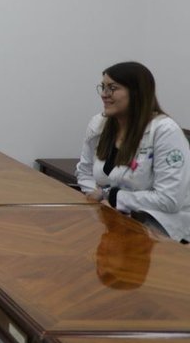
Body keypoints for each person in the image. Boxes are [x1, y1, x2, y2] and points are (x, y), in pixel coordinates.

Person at [76, 61, 190, 243]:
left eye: (112, 88)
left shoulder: (165, 131)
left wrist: (113, 198)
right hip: (110, 220)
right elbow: (84, 173)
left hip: (160, 232)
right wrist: (103, 204)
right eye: (103, 87)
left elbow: (169, 199)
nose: (104, 95)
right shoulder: (99, 123)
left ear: (137, 92)